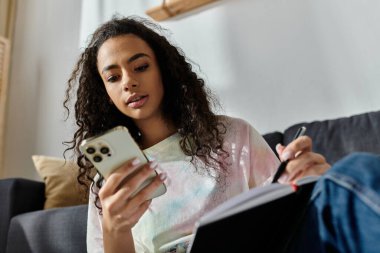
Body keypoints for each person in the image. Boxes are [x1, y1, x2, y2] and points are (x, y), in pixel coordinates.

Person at [63, 16, 329, 253]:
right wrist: (115, 230)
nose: (128, 82)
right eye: (113, 78)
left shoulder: (234, 136)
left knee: (350, 173)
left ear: (163, 71)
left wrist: (307, 186)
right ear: (106, 95)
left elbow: (287, 221)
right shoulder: (110, 182)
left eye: (141, 67)